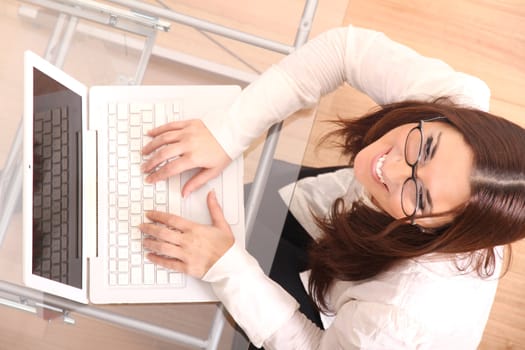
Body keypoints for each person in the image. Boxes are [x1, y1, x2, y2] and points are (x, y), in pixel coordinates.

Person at [138, 25, 525, 349]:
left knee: (218, 266)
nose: (388, 167)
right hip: (337, 211)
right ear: (446, 118)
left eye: (418, 195)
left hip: (343, 320)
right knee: (229, 210)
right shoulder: (456, 99)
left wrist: (228, 270)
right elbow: (345, 50)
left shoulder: (399, 318)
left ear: (431, 227)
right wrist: (229, 131)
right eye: (422, 147)